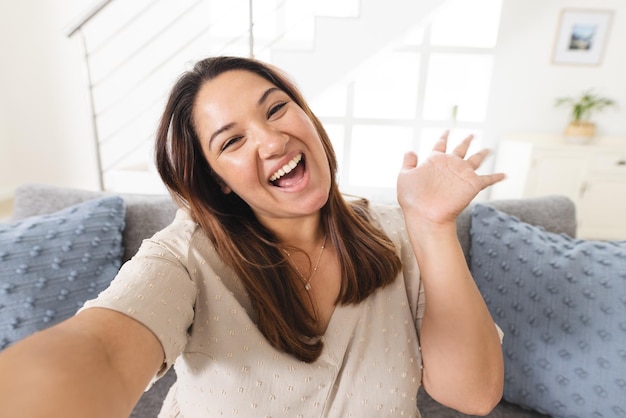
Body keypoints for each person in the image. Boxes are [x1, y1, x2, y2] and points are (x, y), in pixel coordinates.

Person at [0, 56, 504, 417]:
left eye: (277, 109)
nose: (271, 140)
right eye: (233, 140)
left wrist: (433, 227)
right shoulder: (186, 257)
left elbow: (474, 396)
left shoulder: (401, 232)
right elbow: (105, 353)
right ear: (218, 178)